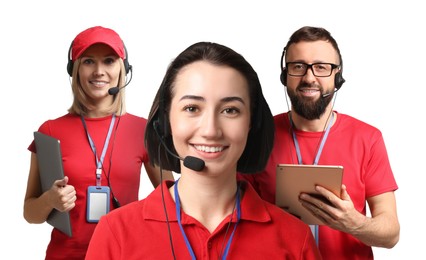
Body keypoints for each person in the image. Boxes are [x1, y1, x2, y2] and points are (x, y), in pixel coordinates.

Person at [85, 41, 321, 259]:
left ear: (252, 122)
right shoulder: (116, 232)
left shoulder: (294, 239)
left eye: (230, 110)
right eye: (191, 108)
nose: (210, 130)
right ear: (165, 121)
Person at [239, 26, 400, 259]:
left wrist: (353, 223)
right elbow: (232, 217)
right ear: (285, 76)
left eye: (321, 68)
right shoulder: (258, 135)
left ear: (338, 77)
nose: (309, 78)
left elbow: (391, 234)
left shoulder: (368, 138)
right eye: (298, 67)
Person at [23, 26, 174, 260]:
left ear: (123, 70)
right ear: (74, 70)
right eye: (89, 62)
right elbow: (30, 213)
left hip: (126, 253)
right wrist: (50, 200)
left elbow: (171, 203)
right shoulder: (51, 130)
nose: (99, 71)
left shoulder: (144, 130)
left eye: (109, 61)